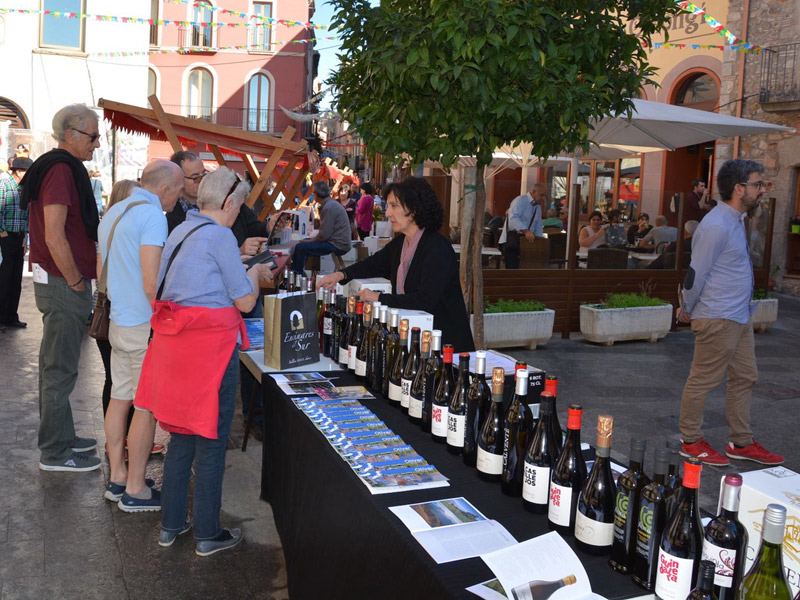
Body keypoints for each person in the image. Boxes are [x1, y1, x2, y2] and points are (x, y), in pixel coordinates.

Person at [134, 167, 273, 554]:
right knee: (211, 441)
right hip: (209, 351)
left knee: (182, 438)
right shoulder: (221, 236)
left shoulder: (180, 229)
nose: (237, 213)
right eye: (239, 205)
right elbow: (244, 302)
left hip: (175, 347)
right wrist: (257, 274)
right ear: (228, 202)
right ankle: (208, 534)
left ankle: (171, 525)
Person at [678, 159, 784, 467]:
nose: (762, 190)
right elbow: (696, 273)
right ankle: (691, 440)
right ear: (739, 189)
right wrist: (687, 307)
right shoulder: (716, 225)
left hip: (739, 316)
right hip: (717, 317)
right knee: (702, 380)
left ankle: (741, 442)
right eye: (757, 184)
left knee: (745, 377)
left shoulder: (736, 220)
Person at [19, 103, 102, 472]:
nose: (97, 143)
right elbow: (55, 236)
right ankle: (54, 452)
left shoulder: (60, 167)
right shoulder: (60, 170)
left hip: (56, 279)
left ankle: (62, 436)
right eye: (92, 136)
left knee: (59, 366)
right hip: (61, 282)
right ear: (71, 135)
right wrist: (76, 280)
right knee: (59, 369)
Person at [99, 161, 185, 512]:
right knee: (145, 407)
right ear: (164, 190)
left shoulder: (115, 210)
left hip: (118, 319)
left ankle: (118, 476)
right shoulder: (153, 216)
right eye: (178, 191)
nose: (179, 198)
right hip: (141, 324)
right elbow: (152, 282)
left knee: (120, 398)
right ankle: (136, 488)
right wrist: (166, 319)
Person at [319, 177, 475, 352]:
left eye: (394, 206)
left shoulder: (437, 248)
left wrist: (379, 298)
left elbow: (425, 300)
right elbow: (372, 264)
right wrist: (341, 275)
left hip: (447, 349)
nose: (387, 213)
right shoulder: (402, 243)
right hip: (417, 341)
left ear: (414, 209)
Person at [166, 151, 268, 258]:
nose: (202, 180)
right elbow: (197, 260)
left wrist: (268, 227)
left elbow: (252, 226)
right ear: (180, 180)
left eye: (204, 174)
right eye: (195, 177)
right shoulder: (172, 219)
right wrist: (238, 251)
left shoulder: (221, 198)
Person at [291, 180, 352, 275]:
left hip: (338, 245)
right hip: (338, 242)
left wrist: (309, 241)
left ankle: (296, 276)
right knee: (304, 246)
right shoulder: (331, 204)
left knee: (300, 247)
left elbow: (324, 235)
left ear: (315, 195)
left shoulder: (328, 207)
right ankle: (300, 273)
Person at [0, 157, 32, 330]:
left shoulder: (24, 188)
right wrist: (3, 233)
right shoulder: (4, 185)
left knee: (15, 279)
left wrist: (26, 238)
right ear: (19, 171)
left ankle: (12, 316)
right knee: (4, 279)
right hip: (6, 236)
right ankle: (1, 317)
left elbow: (26, 213)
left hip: (19, 237)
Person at [503, 183, 546, 269]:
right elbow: (513, 218)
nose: (543, 198)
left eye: (545, 196)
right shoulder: (520, 201)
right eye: (541, 195)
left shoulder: (537, 206)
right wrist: (525, 231)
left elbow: (538, 224)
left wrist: (539, 240)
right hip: (514, 238)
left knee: (526, 267)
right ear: (533, 192)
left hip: (527, 241)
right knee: (513, 268)